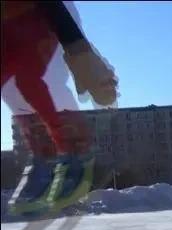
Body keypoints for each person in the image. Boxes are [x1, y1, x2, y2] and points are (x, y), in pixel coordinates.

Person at [4, 0, 118, 216]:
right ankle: (43, 157)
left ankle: (73, 156)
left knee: (34, 80)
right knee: (12, 86)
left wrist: (91, 65)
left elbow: (64, 21)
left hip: (43, 21)